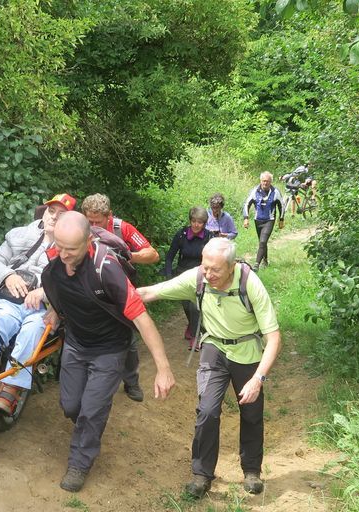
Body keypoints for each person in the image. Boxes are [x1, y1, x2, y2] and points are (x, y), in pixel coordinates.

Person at [41, 211, 175, 492]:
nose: (63, 255)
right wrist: (55, 312)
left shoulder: (106, 268)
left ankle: (80, 462)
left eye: (71, 249)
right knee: (71, 406)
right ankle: (90, 422)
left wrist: (163, 369)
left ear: (89, 241)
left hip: (110, 350)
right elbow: (59, 289)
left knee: (90, 411)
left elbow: (142, 319)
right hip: (76, 345)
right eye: (60, 246)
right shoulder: (55, 257)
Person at [137, 238, 281, 498]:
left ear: (232, 266)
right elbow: (151, 292)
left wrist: (258, 379)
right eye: (205, 267)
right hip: (214, 348)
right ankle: (202, 474)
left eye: (215, 269)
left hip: (247, 350)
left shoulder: (250, 283)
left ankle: (251, 471)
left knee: (251, 410)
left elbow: (274, 337)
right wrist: (111, 292)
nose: (208, 274)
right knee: (207, 410)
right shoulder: (198, 278)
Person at [0, 193, 76, 415]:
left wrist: (45, 291)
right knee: (0, 322)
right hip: (8, 301)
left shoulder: (72, 247)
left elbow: (74, 281)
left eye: (62, 215)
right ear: (45, 211)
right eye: (52, 211)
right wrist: (7, 276)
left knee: (33, 330)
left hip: (40, 309)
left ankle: (10, 388)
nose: (54, 218)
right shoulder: (19, 235)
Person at [81, 193, 159, 402]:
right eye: (90, 221)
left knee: (127, 340)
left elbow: (152, 254)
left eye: (98, 221)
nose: (94, 225)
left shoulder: (121, 228)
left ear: (109, 216)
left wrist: (127, 255)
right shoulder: (79, 228)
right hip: (89, 289)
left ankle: (131, 381)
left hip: (120, 292)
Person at [163, 207, 212, 347]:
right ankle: (192, 326)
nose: (196, 225)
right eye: (194, 221)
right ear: (190, 221)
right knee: (185, 305)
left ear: (204, 223)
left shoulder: (209, 237)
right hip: (182, 274)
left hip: (200, 276)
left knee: (194, 306)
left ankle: (196, 337)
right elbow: (170, 256)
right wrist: (168, 275)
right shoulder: (181, 235)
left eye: (200, 222)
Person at [242, 172, 285, 272]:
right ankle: (265, 260)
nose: (265, 183)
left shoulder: (275, 192)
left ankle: (256, 264)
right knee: (262, 242)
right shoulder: (254, 191)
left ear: (271, 182)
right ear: (260, 181)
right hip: (258, 220)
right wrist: (246, 218)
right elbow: (246, 204)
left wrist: (281, 219)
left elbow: (281, 206)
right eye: (264, 181)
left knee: (262, 241)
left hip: (269, 220)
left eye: (268, 181)